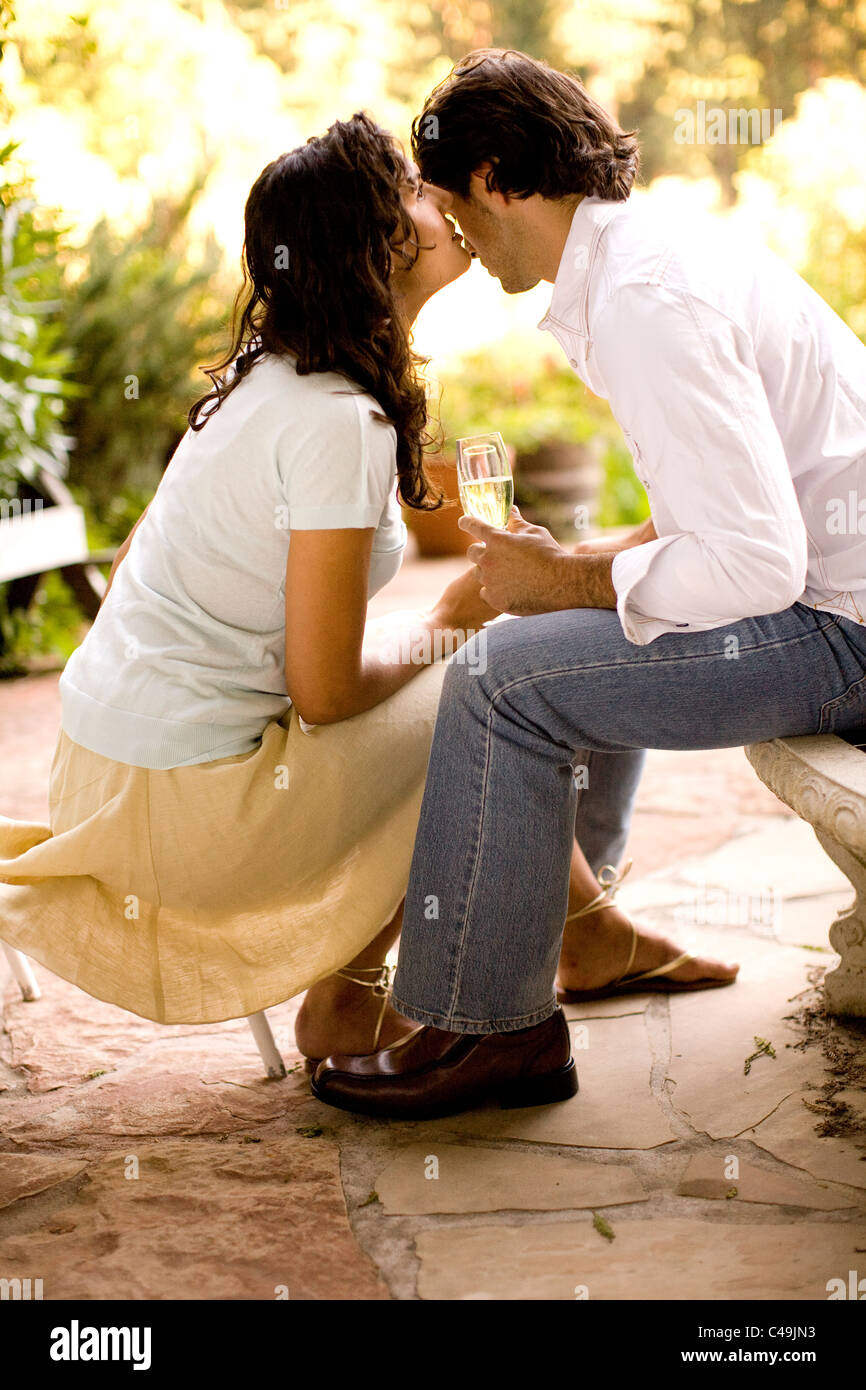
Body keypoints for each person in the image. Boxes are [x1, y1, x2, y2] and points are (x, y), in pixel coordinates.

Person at [0, 111, 730, 1062]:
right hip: (179, 822)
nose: (440, 201)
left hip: (106, 776)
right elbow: (327, 690)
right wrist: (450, 617)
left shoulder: (268, 379)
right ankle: (352, 1003)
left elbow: (165, 567)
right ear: (375, 247)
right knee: (487, 690)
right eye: (413, 193)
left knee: (467, 687)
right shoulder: (336, 420)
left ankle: (589, 939)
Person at [311, 50, 866, 1120]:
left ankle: (490, 1030)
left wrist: (562, 576)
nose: (440, 228)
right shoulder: (640, 262)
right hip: (830, 597)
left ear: (493, 173)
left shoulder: (642, 300)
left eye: (439, 197)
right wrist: (568, 571)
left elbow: (752, 561)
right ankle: (581, 935)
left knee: (497, 680)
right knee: (569, 629)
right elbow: (715, 517)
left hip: (841, 632)